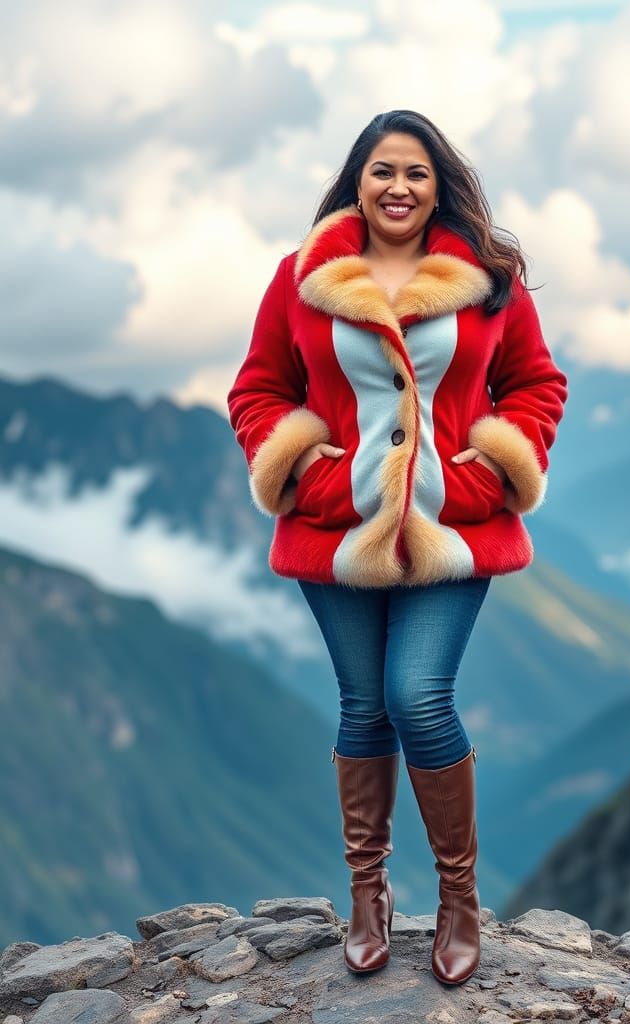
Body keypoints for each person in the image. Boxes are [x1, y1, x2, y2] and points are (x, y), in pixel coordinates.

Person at [227, 109, 568, 986]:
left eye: (415, 172)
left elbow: (536, 383)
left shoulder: (486, 280)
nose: (399, 187)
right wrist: (305, 474)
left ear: (438, 182)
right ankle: (368, 895)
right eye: (383, 171)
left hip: (452, 529)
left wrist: (487, 475)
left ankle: (459, 900)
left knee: (417, 696)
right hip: (335, 532)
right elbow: (259, 389)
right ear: (358, 180)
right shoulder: (301, 278)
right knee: (361, 707)